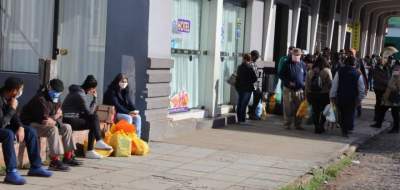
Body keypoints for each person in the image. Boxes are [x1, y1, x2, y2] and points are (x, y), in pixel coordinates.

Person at [0, 77, 52, 185]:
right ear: (14, 90)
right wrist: (12, 108)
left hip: (4, 127)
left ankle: (36, 167)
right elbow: (1, 124)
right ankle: (11, 172)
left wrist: (20, 127)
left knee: (30, 131)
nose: (21, 92)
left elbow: (14, 118)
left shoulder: (11, 98)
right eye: (20, 89)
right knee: (8, 134)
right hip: (2, 128)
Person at [21, 79, 80, 171]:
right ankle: (54, 161)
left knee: (67, 127)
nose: (57, 94)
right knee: (52, 129)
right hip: (31, 124)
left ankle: (68, 156)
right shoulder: (40, 99)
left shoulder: (57, 100)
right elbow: (45, 120)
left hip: (46, 122)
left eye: (59, 92)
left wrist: (55, 118)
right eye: (55, 91)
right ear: (49, 88)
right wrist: (56, 116)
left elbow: (60, 117)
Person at [62, 75, 112, 159]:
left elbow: (85, 112)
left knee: (93, 120)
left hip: (71, 117)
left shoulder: (76, 91)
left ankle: (93, 147)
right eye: (94, 89)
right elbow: (89, 113)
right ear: (91, 88)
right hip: (69, 120)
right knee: (94, 119)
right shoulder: (80, 95)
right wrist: (95, 99)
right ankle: (94, 145)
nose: (93, 91)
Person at [330, 57, 366, 137]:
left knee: (342, 114)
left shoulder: (339, 72)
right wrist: (360, 98)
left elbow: (335, 84)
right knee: (350, 113)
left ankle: (344, 129)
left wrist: (332, 96)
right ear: (354, 64)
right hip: (352, 98)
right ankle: (348, 128)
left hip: (341, 97)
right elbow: (361, 88)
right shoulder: (358, 73)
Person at [103, 73, 142, 138]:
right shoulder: (111, 91)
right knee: (128, 118)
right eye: (122, 81)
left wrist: (134, 110)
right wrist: (129, 112)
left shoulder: (125, 90)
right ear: (117, 81)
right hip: (115, 112)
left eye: (125, 82)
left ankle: (137, 138)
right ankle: (127, 138)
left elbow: (129, 102)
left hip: (124, 111)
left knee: (138, 117)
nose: (124, 83)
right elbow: (116, 105)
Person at [278, 48, 307, 130]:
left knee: (299, 107)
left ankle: (298, 124)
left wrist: (304, 82)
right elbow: (281, 75)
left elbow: (305, 75)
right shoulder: (286, 63)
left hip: (299, 90)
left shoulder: (303, 64)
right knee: (288, 107)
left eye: (298, 55)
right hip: (288, 89)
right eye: (295, 55)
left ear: (301, 55)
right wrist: (288, 82)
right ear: (292, 55)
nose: (296, 56)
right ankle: (287, 124)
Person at [305, 57, 332, 134]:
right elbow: (330, 84)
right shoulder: (327, 71)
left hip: (312, 94)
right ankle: (321, 125)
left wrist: (307, 95)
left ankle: (316, 126)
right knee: (325, 111)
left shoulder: (310, 71)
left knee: (315, 111)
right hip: (324, 94)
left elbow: (306, 85)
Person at [378, 64, 400, 134]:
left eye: (396, 68)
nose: (395, 69)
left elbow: (398, 88)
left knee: (395, 113)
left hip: (394, 97)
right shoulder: (394, 75)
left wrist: (392, 87)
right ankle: (378, 124)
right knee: (382, 110)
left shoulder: (398, 76)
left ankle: (396, 128)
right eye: (395, 68)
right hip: (388, 96)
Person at [235, 54, 257, 123]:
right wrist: (250, 82)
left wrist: (237, 86)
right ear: (249, 60)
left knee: (239, 103)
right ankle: (242, 119)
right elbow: (255, 78)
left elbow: (237, 78)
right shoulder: (250, 68)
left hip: (240, 88)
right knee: (244, 104)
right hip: (247, 88)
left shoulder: (239, 67)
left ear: (243, 59)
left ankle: (239, 119)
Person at [370, 56, 391, 124]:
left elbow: (388, 76)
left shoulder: (386, 68)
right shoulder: (377, 69)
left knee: (383, 104)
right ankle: (377, 117)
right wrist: (387, 83)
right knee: (379, 103)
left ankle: (381, 117)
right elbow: (378, 79)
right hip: (378, 88)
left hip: (384, 89)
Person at [248, 50, 263, 120]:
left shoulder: (253, 63)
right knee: (255, 98)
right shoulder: (250, 63)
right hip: (251, 85)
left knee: (258, 96)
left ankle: (253, 113)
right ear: (253, 56)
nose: (257, 58)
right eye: (256, 57)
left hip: (255, 85)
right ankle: (252, 113)